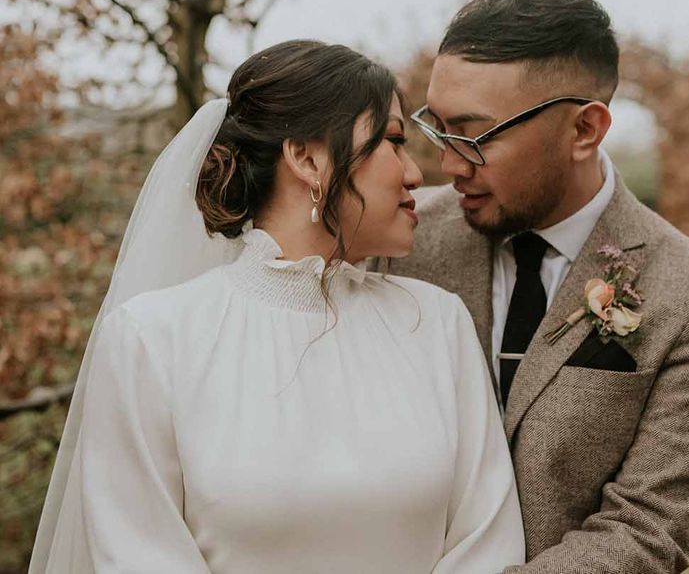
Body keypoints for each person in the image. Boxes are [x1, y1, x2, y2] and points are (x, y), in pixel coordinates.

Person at [29, 40, 525, 573]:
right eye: (392, 141)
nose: (415, 175)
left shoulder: (438, 323)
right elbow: (137, 552)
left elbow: (487, 539)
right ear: (307, 158)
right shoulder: (151, 338)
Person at [387, 0, 689, 573]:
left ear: (585, 130)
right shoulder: (398, 242)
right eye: (438, 127)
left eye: (475, 136)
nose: (449, 164)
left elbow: (648, 529)